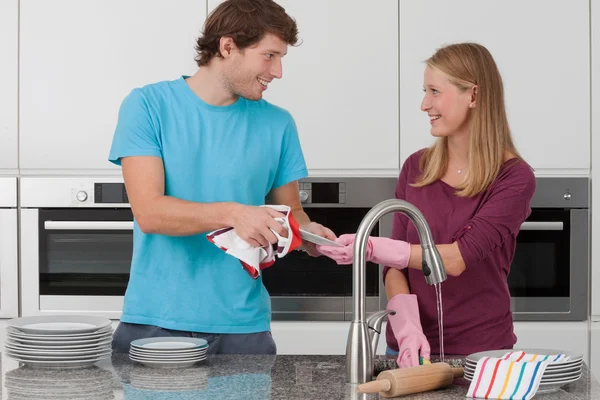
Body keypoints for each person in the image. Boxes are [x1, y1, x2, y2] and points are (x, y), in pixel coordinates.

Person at [107, 0, 335, 354]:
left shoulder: (278, 123)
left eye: (281, 59)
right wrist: (234, 213)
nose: (277, 72)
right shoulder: (147, 106)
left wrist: (307, 235)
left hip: (245, 328)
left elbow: (291, 211)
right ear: (228, 47)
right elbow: (150, 213)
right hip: (156, 323)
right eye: (269, 56)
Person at [318, 43, 536, 367]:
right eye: (425, 91)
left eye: (435, 91)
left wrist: (371, 247)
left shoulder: (514, 178)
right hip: (408, 353)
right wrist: (407, 329)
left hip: (481, 356)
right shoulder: (417, 167)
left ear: (473, 95)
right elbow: (395, 268)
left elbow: (457, 258)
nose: (424, 104)